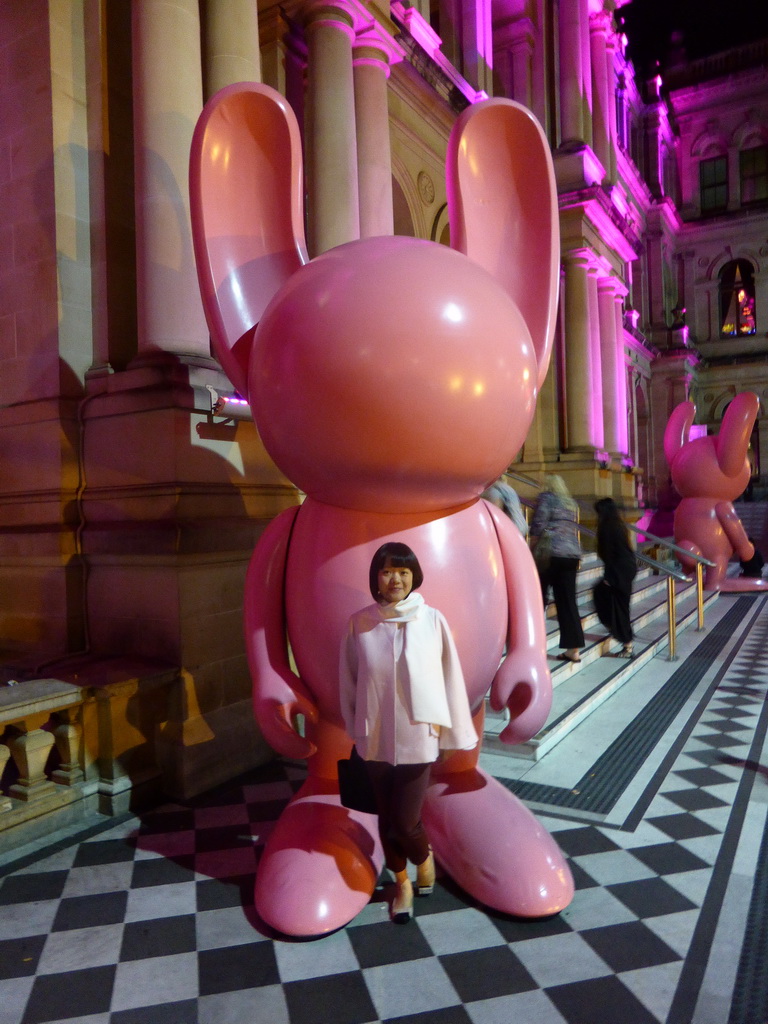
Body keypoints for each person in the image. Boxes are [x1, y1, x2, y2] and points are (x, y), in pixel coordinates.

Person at [339, 541, 478, 923]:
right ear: (376, 579)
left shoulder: (432, 620)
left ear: (414, 575)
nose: (395, 578)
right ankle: (402, 882)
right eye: (387, 571)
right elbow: (348, 682)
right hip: (375, 736)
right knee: (386, 817)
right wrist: (355, 730)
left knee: (406, 822)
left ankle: (424, 858)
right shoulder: (360, 623)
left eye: (402, 571)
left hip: (420, 737)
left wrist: (451, 736)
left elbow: (451, 679)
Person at [530, 475, 584, 663]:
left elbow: (537, 526)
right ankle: (573, 649)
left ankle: (534, 645)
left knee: (539, 599)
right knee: (568, 602)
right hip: (571, 555)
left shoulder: (546, 499)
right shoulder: (569, 503)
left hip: (549, 554)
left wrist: (531, 550)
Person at [593, 498, 638, 658]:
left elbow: (610, 554)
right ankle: (626, 641)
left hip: (618, 571)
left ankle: (626, 642)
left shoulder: (606, 527)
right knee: (622, 607)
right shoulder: (619, 525)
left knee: (615, 606)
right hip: (627, 568)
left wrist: (608, 577)